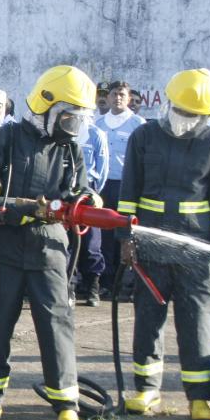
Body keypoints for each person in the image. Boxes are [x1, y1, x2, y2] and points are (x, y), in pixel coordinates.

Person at [0, 65, 98, 420]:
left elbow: (79, 191)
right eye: (68, 116)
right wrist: (21, 208)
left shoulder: (71, 151)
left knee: (57, 326)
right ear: (46, 106)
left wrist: (86, 200)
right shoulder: (3, 140)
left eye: (78, 118)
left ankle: (65, 403)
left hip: (51, 250)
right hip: (3, 249)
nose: (72, 125)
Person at [117, 68, 210, 420]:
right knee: (148, 318)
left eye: (194, 116)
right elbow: (128, 194)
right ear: (170, 104)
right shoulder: (144, 136)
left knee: (195, 320)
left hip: (195, 249)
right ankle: (146, 390)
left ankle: (198, 398)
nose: (186, 120)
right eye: (181, 112)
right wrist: (125, 238)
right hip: (150, 245)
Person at [96, 81, 144, 297]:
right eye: (114, 94)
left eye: (122, 94)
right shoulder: (98, 124)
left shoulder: (138, 124)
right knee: (104, 235)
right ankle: (106, 281)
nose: (117, 98)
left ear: (129, 97)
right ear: (107, 97)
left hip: (127, 187)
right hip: (104, 186)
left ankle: (126, 282)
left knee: (126, 234)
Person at [73, 112, 109, 305]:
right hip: (67, 190)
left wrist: (92, 192)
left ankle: (92, 287)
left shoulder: (96, 134)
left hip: (88, 191)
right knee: (68, 241)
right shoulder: (64, 132)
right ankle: (69, 286)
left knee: (91, 241)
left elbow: (102, 170)